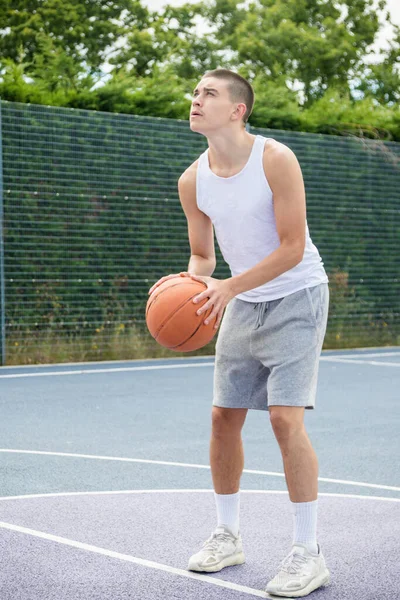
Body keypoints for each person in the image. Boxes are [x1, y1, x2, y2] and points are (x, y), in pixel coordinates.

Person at [148, 68, 330, 597]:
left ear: (238, 110)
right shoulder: (192, 180)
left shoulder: (275, 159)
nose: (195, 100)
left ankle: (307, 551)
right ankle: (228, 535)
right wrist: (190, 289)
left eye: (208, 93)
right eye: (195, 93)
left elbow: (293, 246)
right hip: (240, 300)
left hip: (297, 296)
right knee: (222, 417)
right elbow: (204, 256)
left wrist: (228, 288)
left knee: (282, 419)